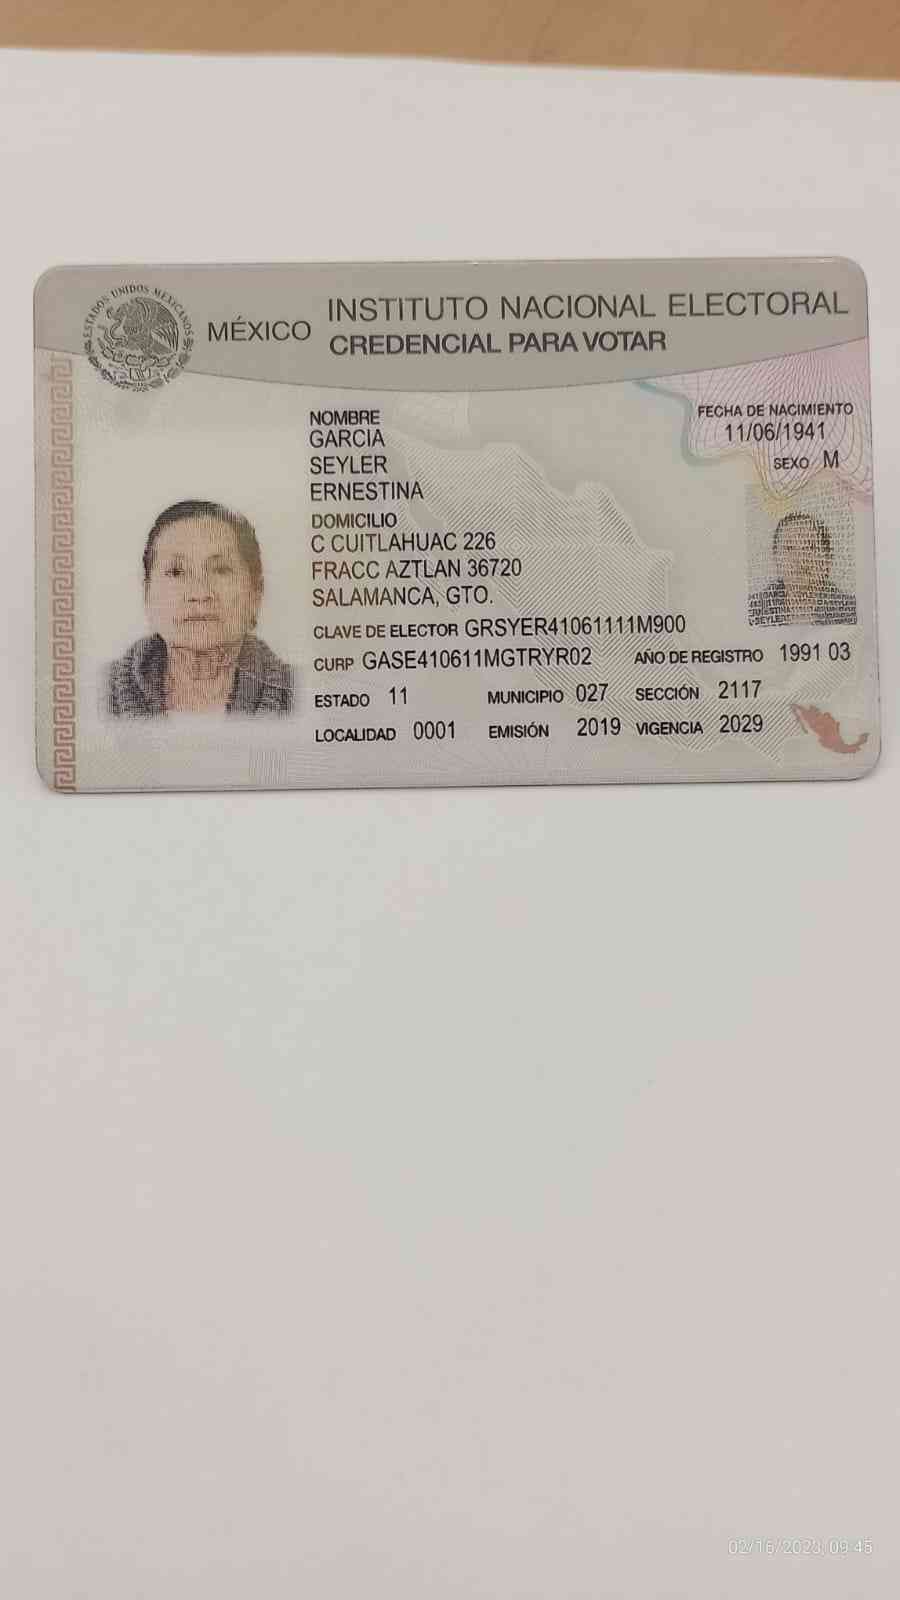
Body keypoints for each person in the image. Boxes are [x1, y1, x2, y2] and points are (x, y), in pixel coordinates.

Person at [107, 499, 293, 716]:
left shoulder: (302, 692)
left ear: (256, 593)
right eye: (176, 572)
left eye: (221, 570)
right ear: (147, 594)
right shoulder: (96, 693)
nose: (200, 593)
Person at [749, 511, 856, 627]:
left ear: (827, 560)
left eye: (810, 547)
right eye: (789, 548)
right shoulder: (754, 609)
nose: (800, 558)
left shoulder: (849, 611)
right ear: (776, 559)